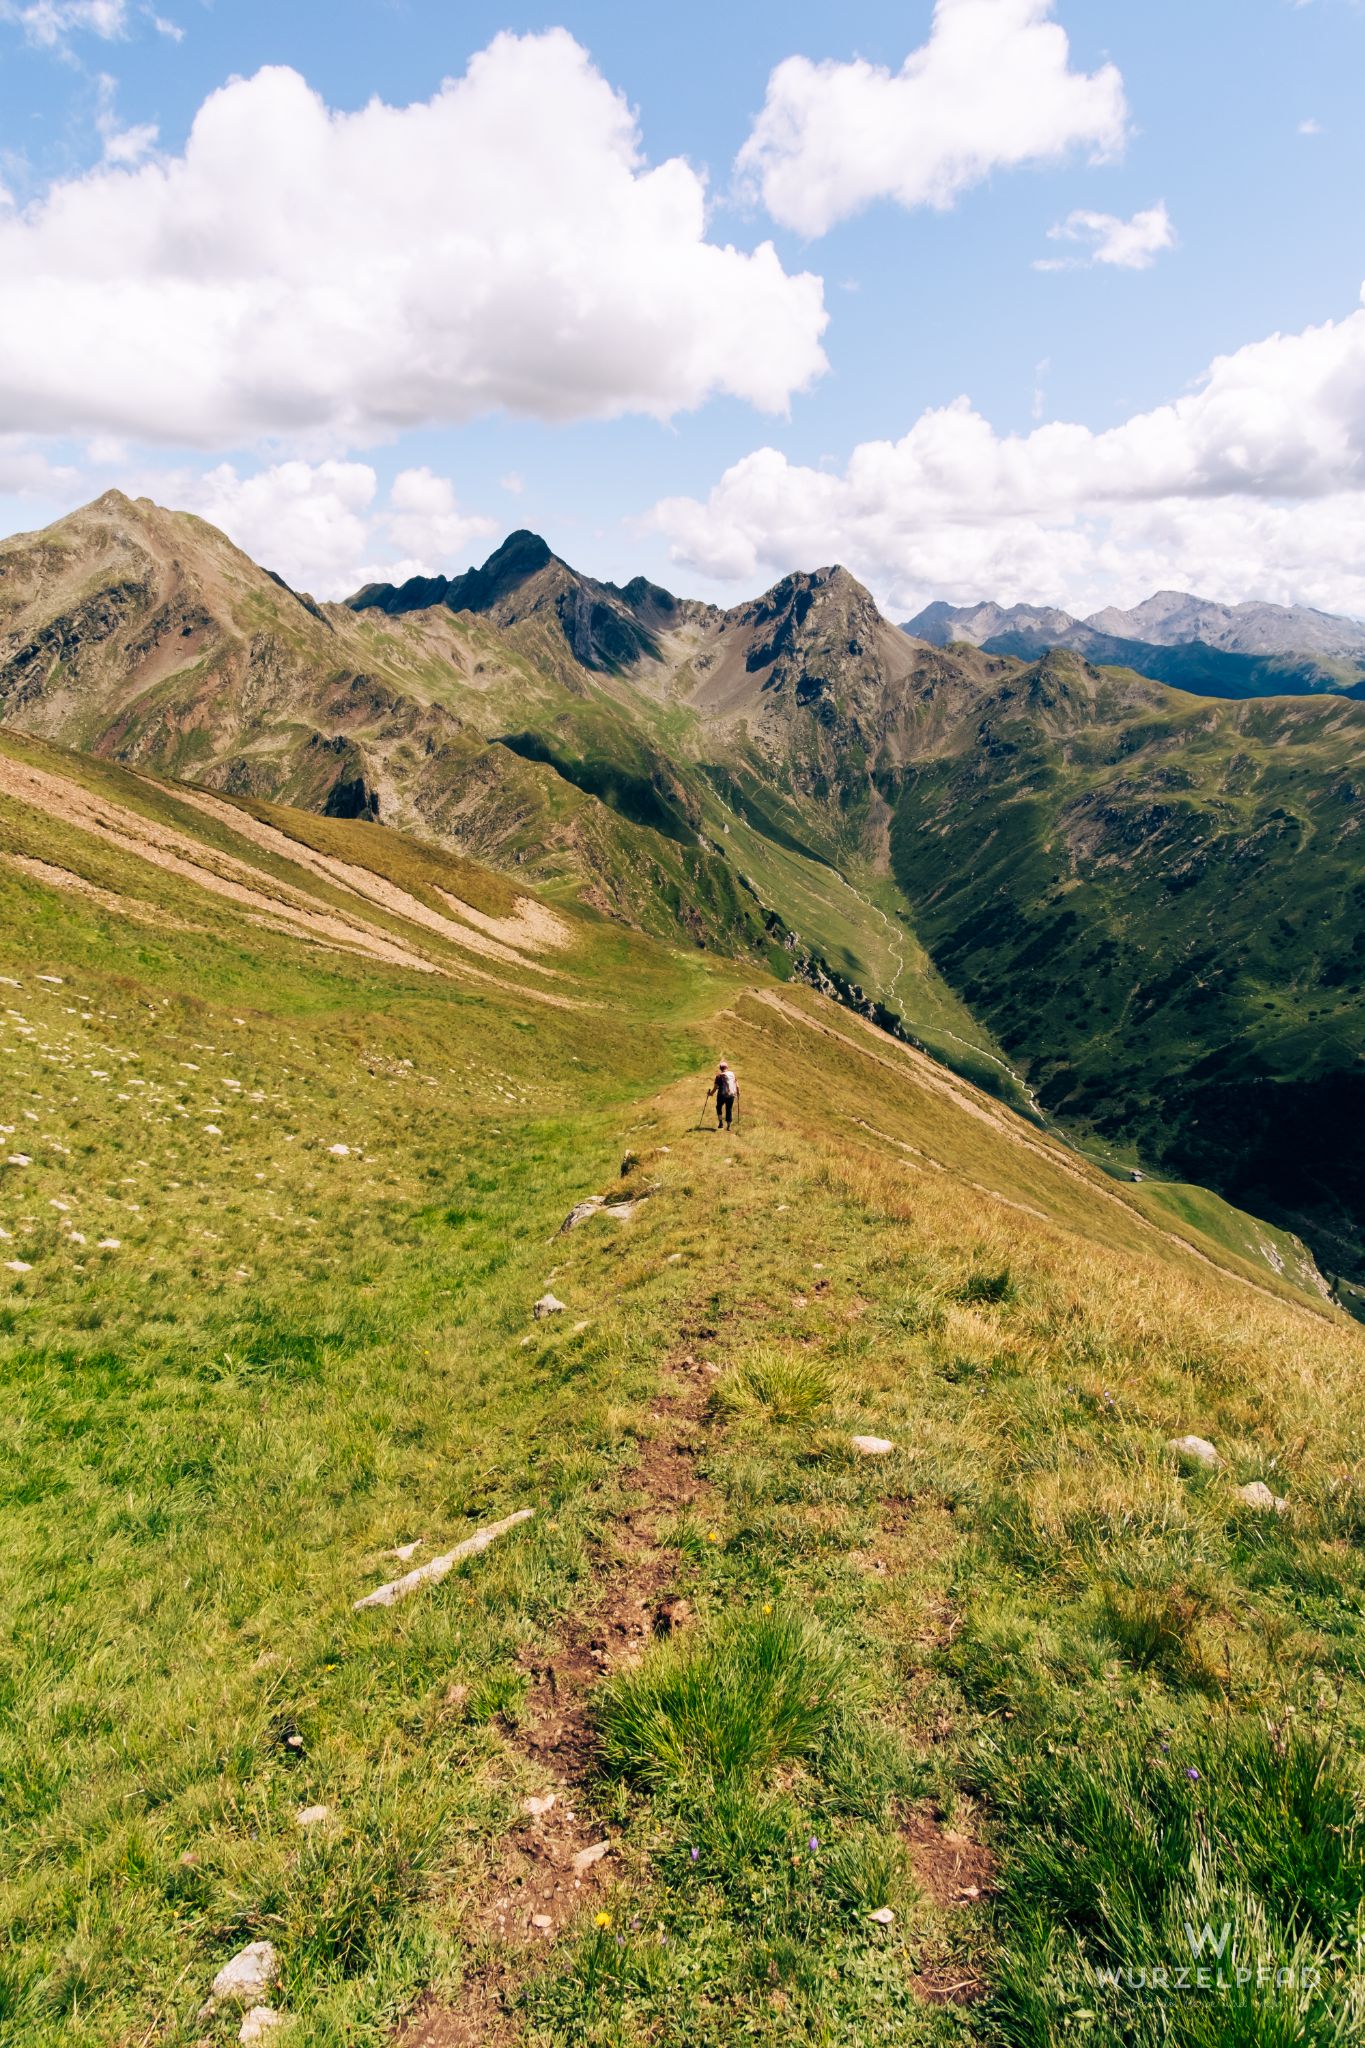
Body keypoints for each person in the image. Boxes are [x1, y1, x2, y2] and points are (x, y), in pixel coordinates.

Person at [706, 1058, 739, 1129]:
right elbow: (737, 1085)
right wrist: (738, 1092)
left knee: (718, 1107)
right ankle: (728, 1126)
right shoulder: (732, 1074)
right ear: (727, 1067)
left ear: (720, 1068)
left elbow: (715, 1087)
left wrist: (711, 1094)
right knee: (729, 1109)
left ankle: (720, 1122)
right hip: (731, 1095)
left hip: (722, 1095)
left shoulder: (719, 1076)